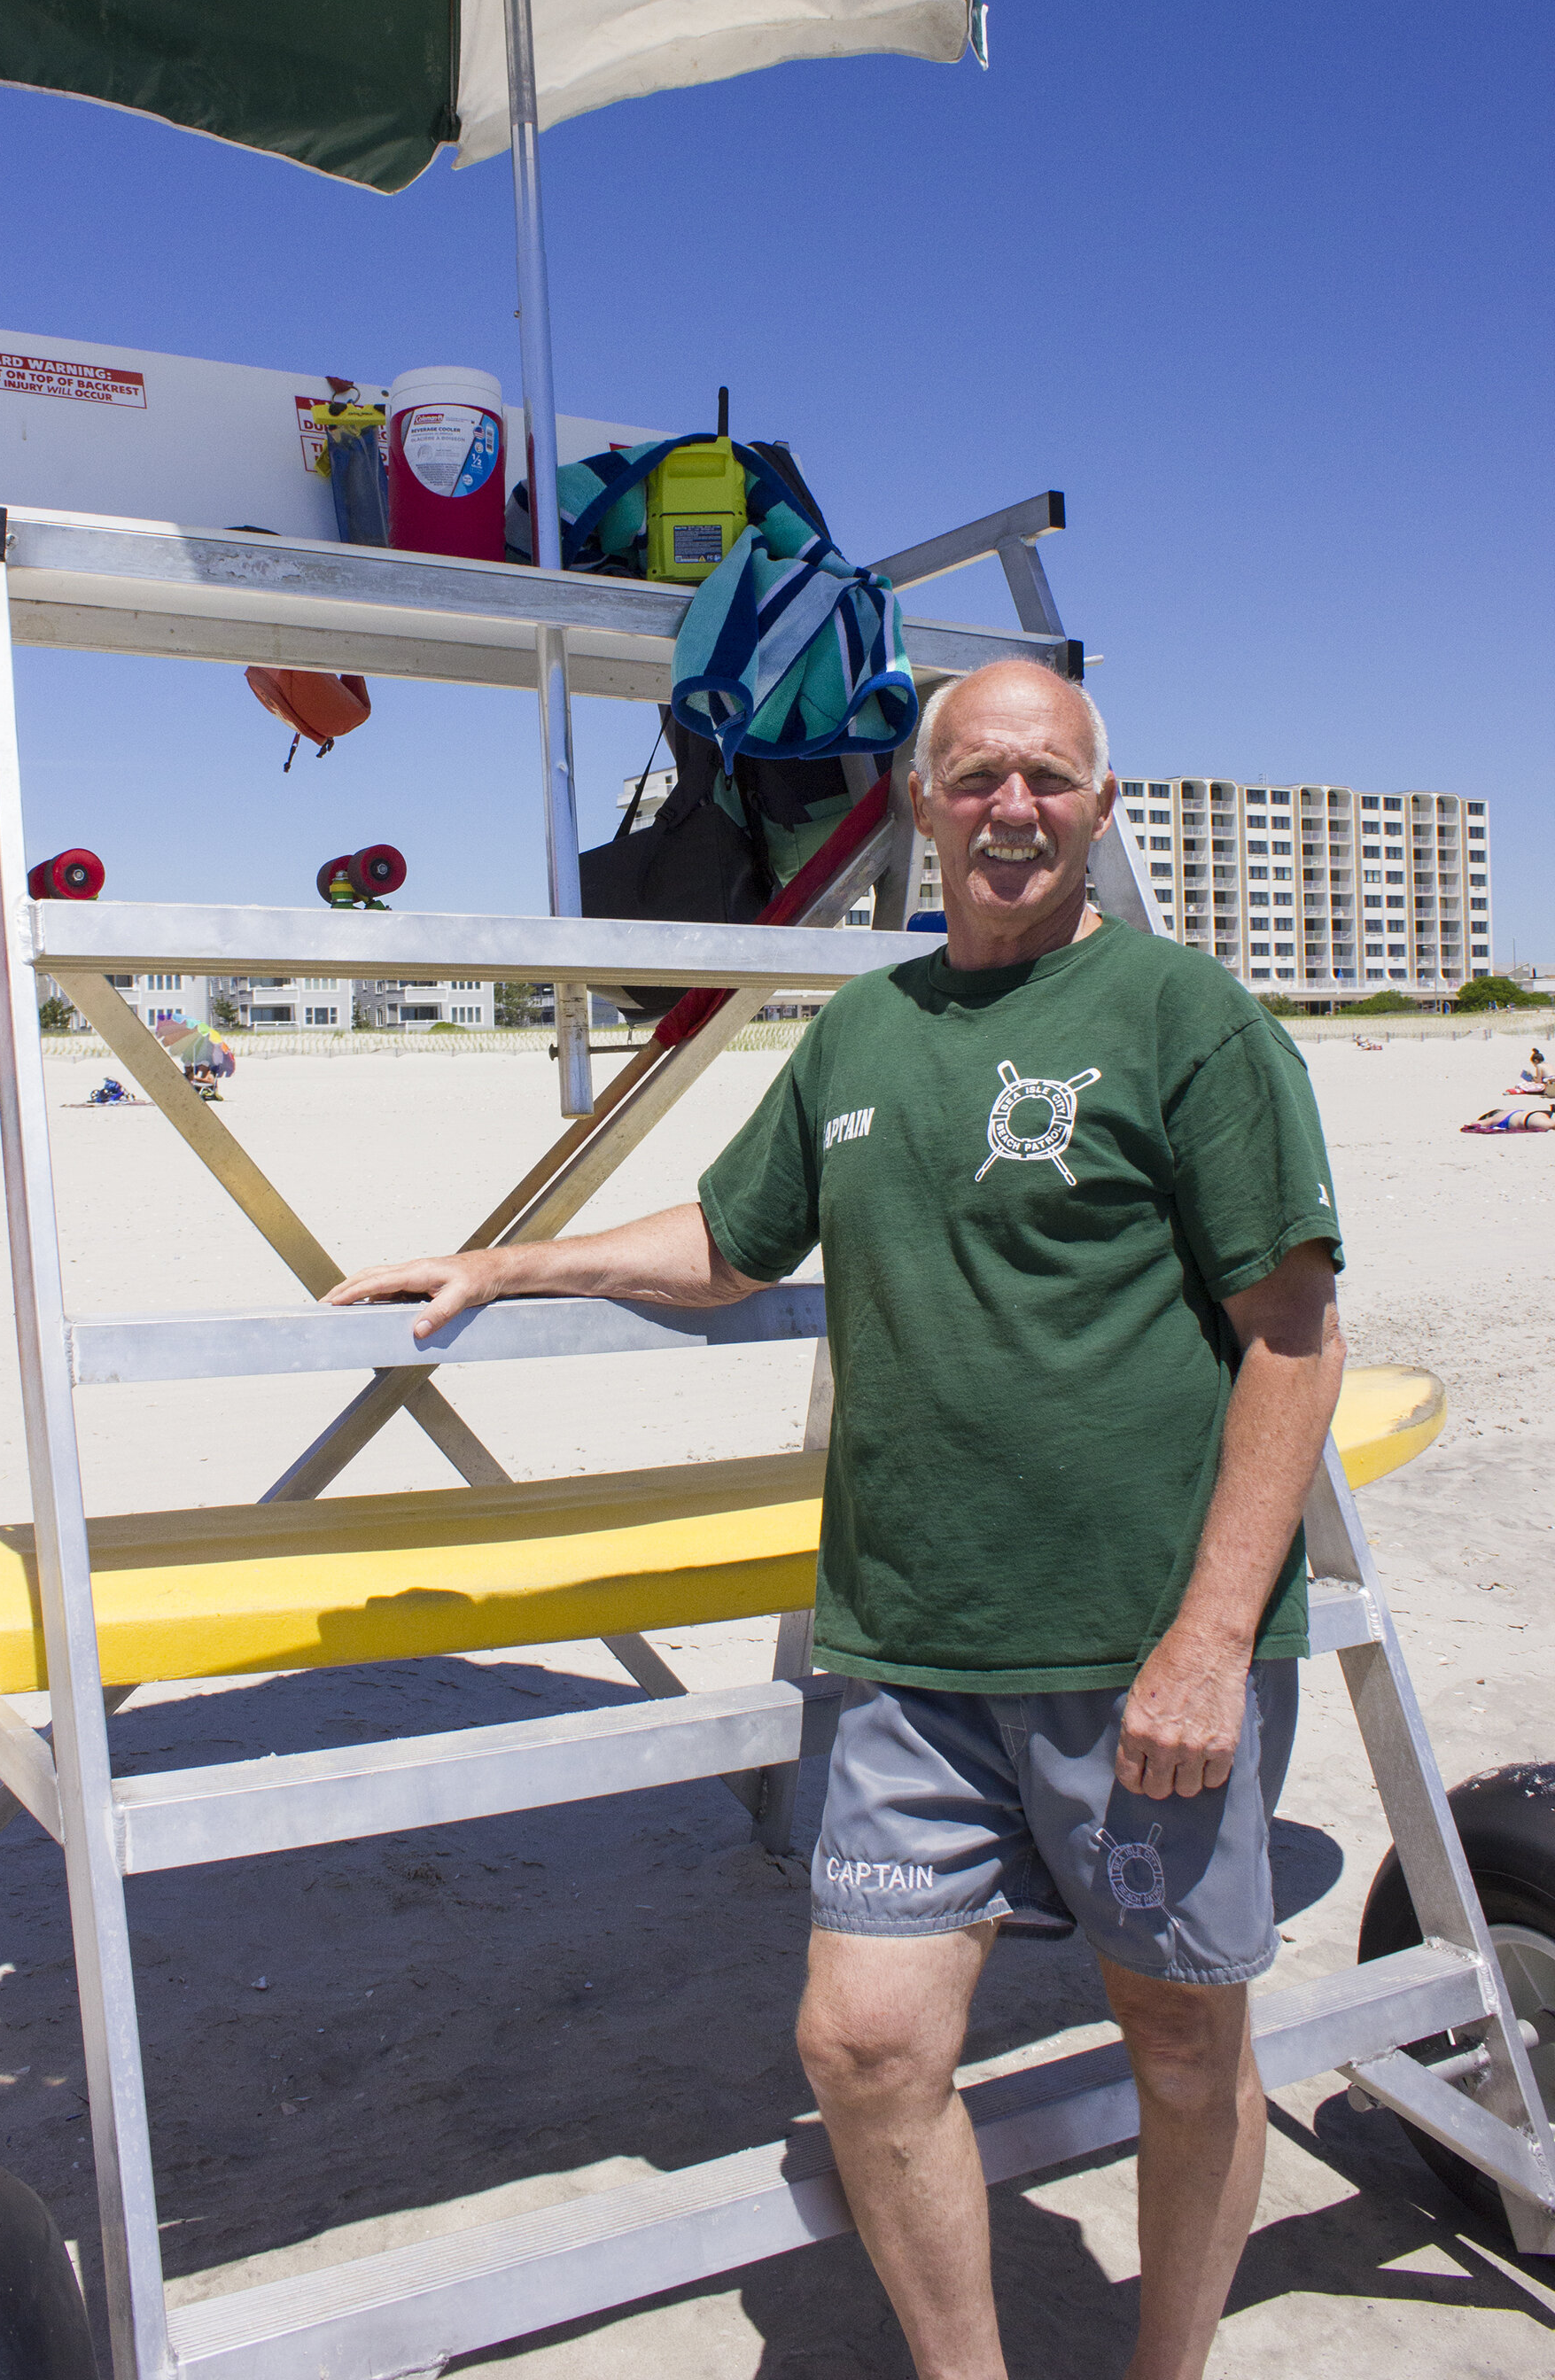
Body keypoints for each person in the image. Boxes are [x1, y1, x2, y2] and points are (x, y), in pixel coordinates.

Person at [328, 660, 1346, 2380]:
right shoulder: (864, 1031)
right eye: (974, 776)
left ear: (1098, 809)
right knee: (865, 2051)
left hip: (1146, 1651)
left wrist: (1208, 1638)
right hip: (906, 1652)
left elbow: (1294, 1345)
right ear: (919, 804)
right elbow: (732, 1244)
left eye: (1046, 776)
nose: (1010, 805)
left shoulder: (1188, 1019)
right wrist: (510, 1256)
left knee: (1181, 2045)